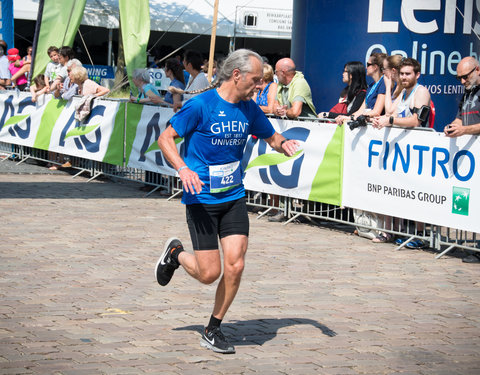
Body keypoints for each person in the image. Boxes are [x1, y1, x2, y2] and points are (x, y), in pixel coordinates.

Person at [156, 49, 299, 354]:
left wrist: (283, 143)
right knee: (209, 274)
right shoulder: (200, 105)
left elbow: (270, 136)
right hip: (201, 198)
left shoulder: (248, 109)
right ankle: (176, 253)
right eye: (256, 79)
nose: (260, 85)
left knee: (235, 265)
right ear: (237, 75)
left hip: (233, 196)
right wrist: (182, 169)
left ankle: (213, 328)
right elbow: (165, 139)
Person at [372, 57, 430, 129]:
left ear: (417, 75)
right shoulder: (403, 92)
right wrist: (377, 120)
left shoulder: (421, 91)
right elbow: (392, 115)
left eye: (407, 74)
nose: (404, 77)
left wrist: (390, 120)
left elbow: (416, 121)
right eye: (402, 74)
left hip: (418, 138)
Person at [335, 53, 387, 124]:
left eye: (368, 65)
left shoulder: (383, 82)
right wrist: (349, 117)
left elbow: (376, 112)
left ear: (375, 67)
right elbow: (361, 110)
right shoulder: (371, 85)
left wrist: (353, 117)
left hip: (377, 127)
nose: (366, 68)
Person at [444, 56, 480, 138]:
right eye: (459, 78)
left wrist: (465, 130)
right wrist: (451, 127)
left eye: (465, 77)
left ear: (477, 70)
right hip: (470, 148)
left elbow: (463, 129)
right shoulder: (468, 93)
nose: (462, 81)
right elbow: (459, 119)